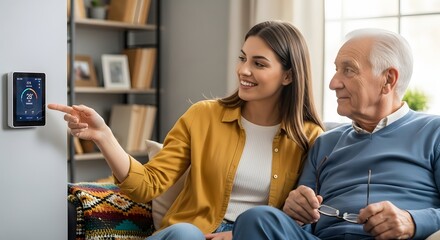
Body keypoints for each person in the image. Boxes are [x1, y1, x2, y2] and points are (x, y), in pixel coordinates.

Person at [49, 20, 323, 240]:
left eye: (259, 63)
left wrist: (234, 234)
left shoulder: (310, 138)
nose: (243, 70)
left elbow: (301, 220)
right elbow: (148, 184)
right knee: (184, 233)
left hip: (251, 235)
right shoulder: (204, 116)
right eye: (243, 58)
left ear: (288, 75)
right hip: (189, 233)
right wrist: (104, 136)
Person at [232, 28, 440, 240]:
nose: (333, 83)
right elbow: (302, 223)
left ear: (388, 79)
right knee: (257, 219)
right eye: (336, 70)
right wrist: (296, 211)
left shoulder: (434, 132)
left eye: (348, 70)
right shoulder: (325, 142)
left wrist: (413, 221)